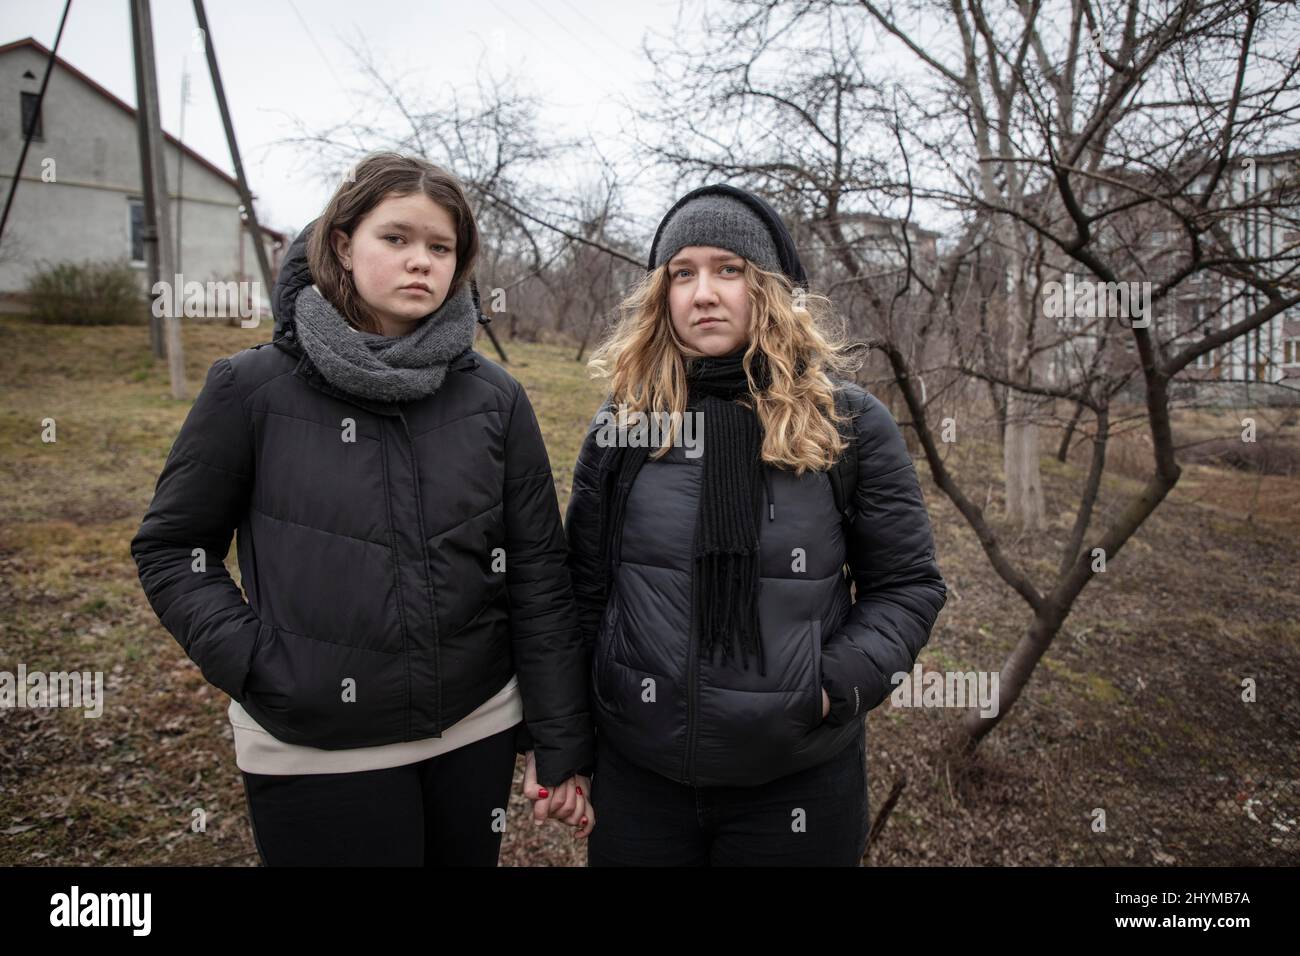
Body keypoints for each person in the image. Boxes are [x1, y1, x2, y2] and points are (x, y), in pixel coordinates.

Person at [131, 152, 594, 866]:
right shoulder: (250, 389)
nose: (421, 262)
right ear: (343, 246)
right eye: (397, 239)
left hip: (472, 731)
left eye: (441, 247)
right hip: (315, 750)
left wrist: (558, 737)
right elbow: (172, 549)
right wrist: (259, 665)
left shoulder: (493, 398)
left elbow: (538, 570)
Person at [565, 183, 947, 866]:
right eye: (683, 273)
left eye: (728, 269)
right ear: (662, 295)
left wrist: (832, 685)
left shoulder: (848, 423)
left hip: (796, 782)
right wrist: (572, 735)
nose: (703, 293)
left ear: (766, 288)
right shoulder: (624, 426)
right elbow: (584, 592)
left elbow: (909, 585)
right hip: (640, 776)